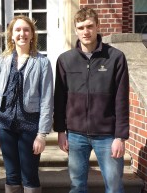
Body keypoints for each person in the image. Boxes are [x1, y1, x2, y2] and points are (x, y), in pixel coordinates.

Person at [53, 7, 129, 193]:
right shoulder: (65, 60)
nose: (85, 31)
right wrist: (61, 130)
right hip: (76, 135)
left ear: (97, 26)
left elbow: (121, 100)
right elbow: (60, 98)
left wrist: (120, 136)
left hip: (107, 135)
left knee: (114, 187)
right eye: (80, 27)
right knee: (77, 186)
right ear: (76, 30)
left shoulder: (116, 58)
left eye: (89, 26)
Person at [0, 15, 54, 193]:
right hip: (5, 125)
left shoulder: (42, 63)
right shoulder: (3, 61)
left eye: (26, 30)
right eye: (17, 30)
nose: (22, 34)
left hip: (30, 126)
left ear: (32, 35)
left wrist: (42, 134)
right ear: (11, 35)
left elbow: (47, 100)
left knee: (30, 175)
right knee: (11, 175)